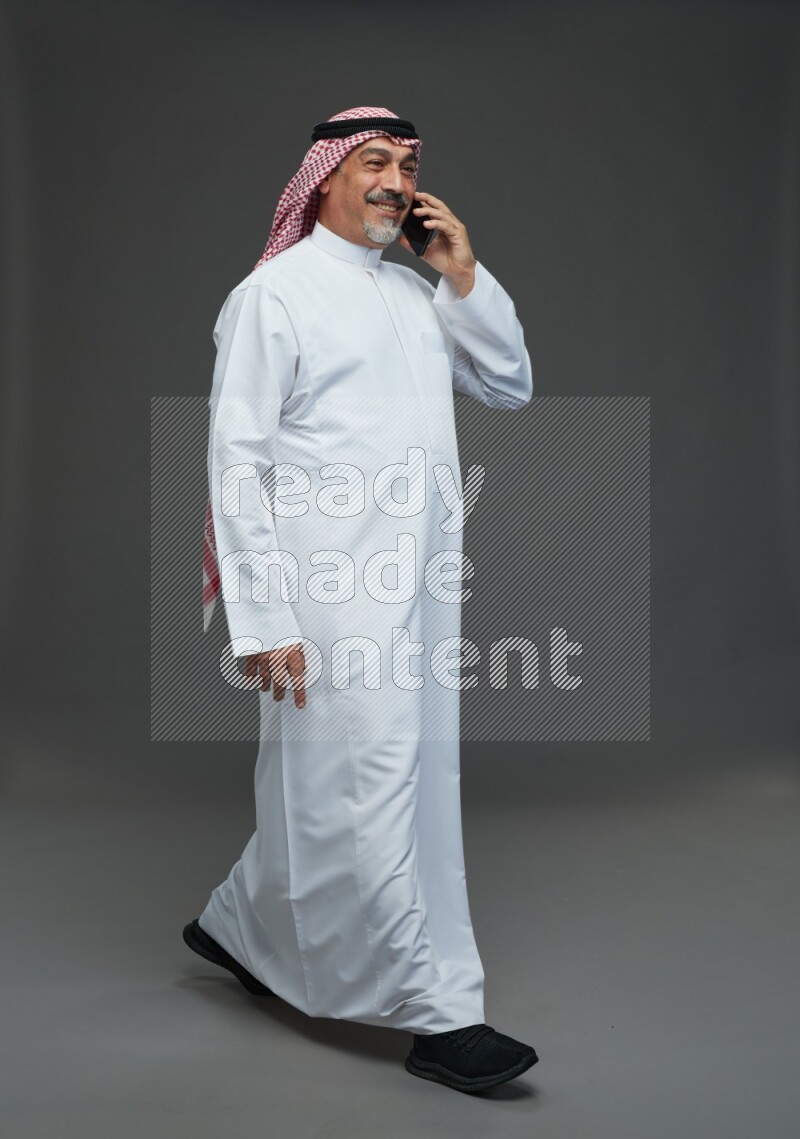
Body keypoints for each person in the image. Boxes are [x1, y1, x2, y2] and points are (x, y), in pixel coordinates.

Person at [183, 106, 538, 1094]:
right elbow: (236, 460)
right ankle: (434, 1011)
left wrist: (462, 275)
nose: (395, 181)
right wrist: (263, 618)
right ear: (325, 177)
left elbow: (508, 384)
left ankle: (239, 921)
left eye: (408, 165)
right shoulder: (274, 295)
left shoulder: (415, 295)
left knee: (370, 778)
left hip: (417, 585)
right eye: (375, 161)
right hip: (326, 591)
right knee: (370, 780)